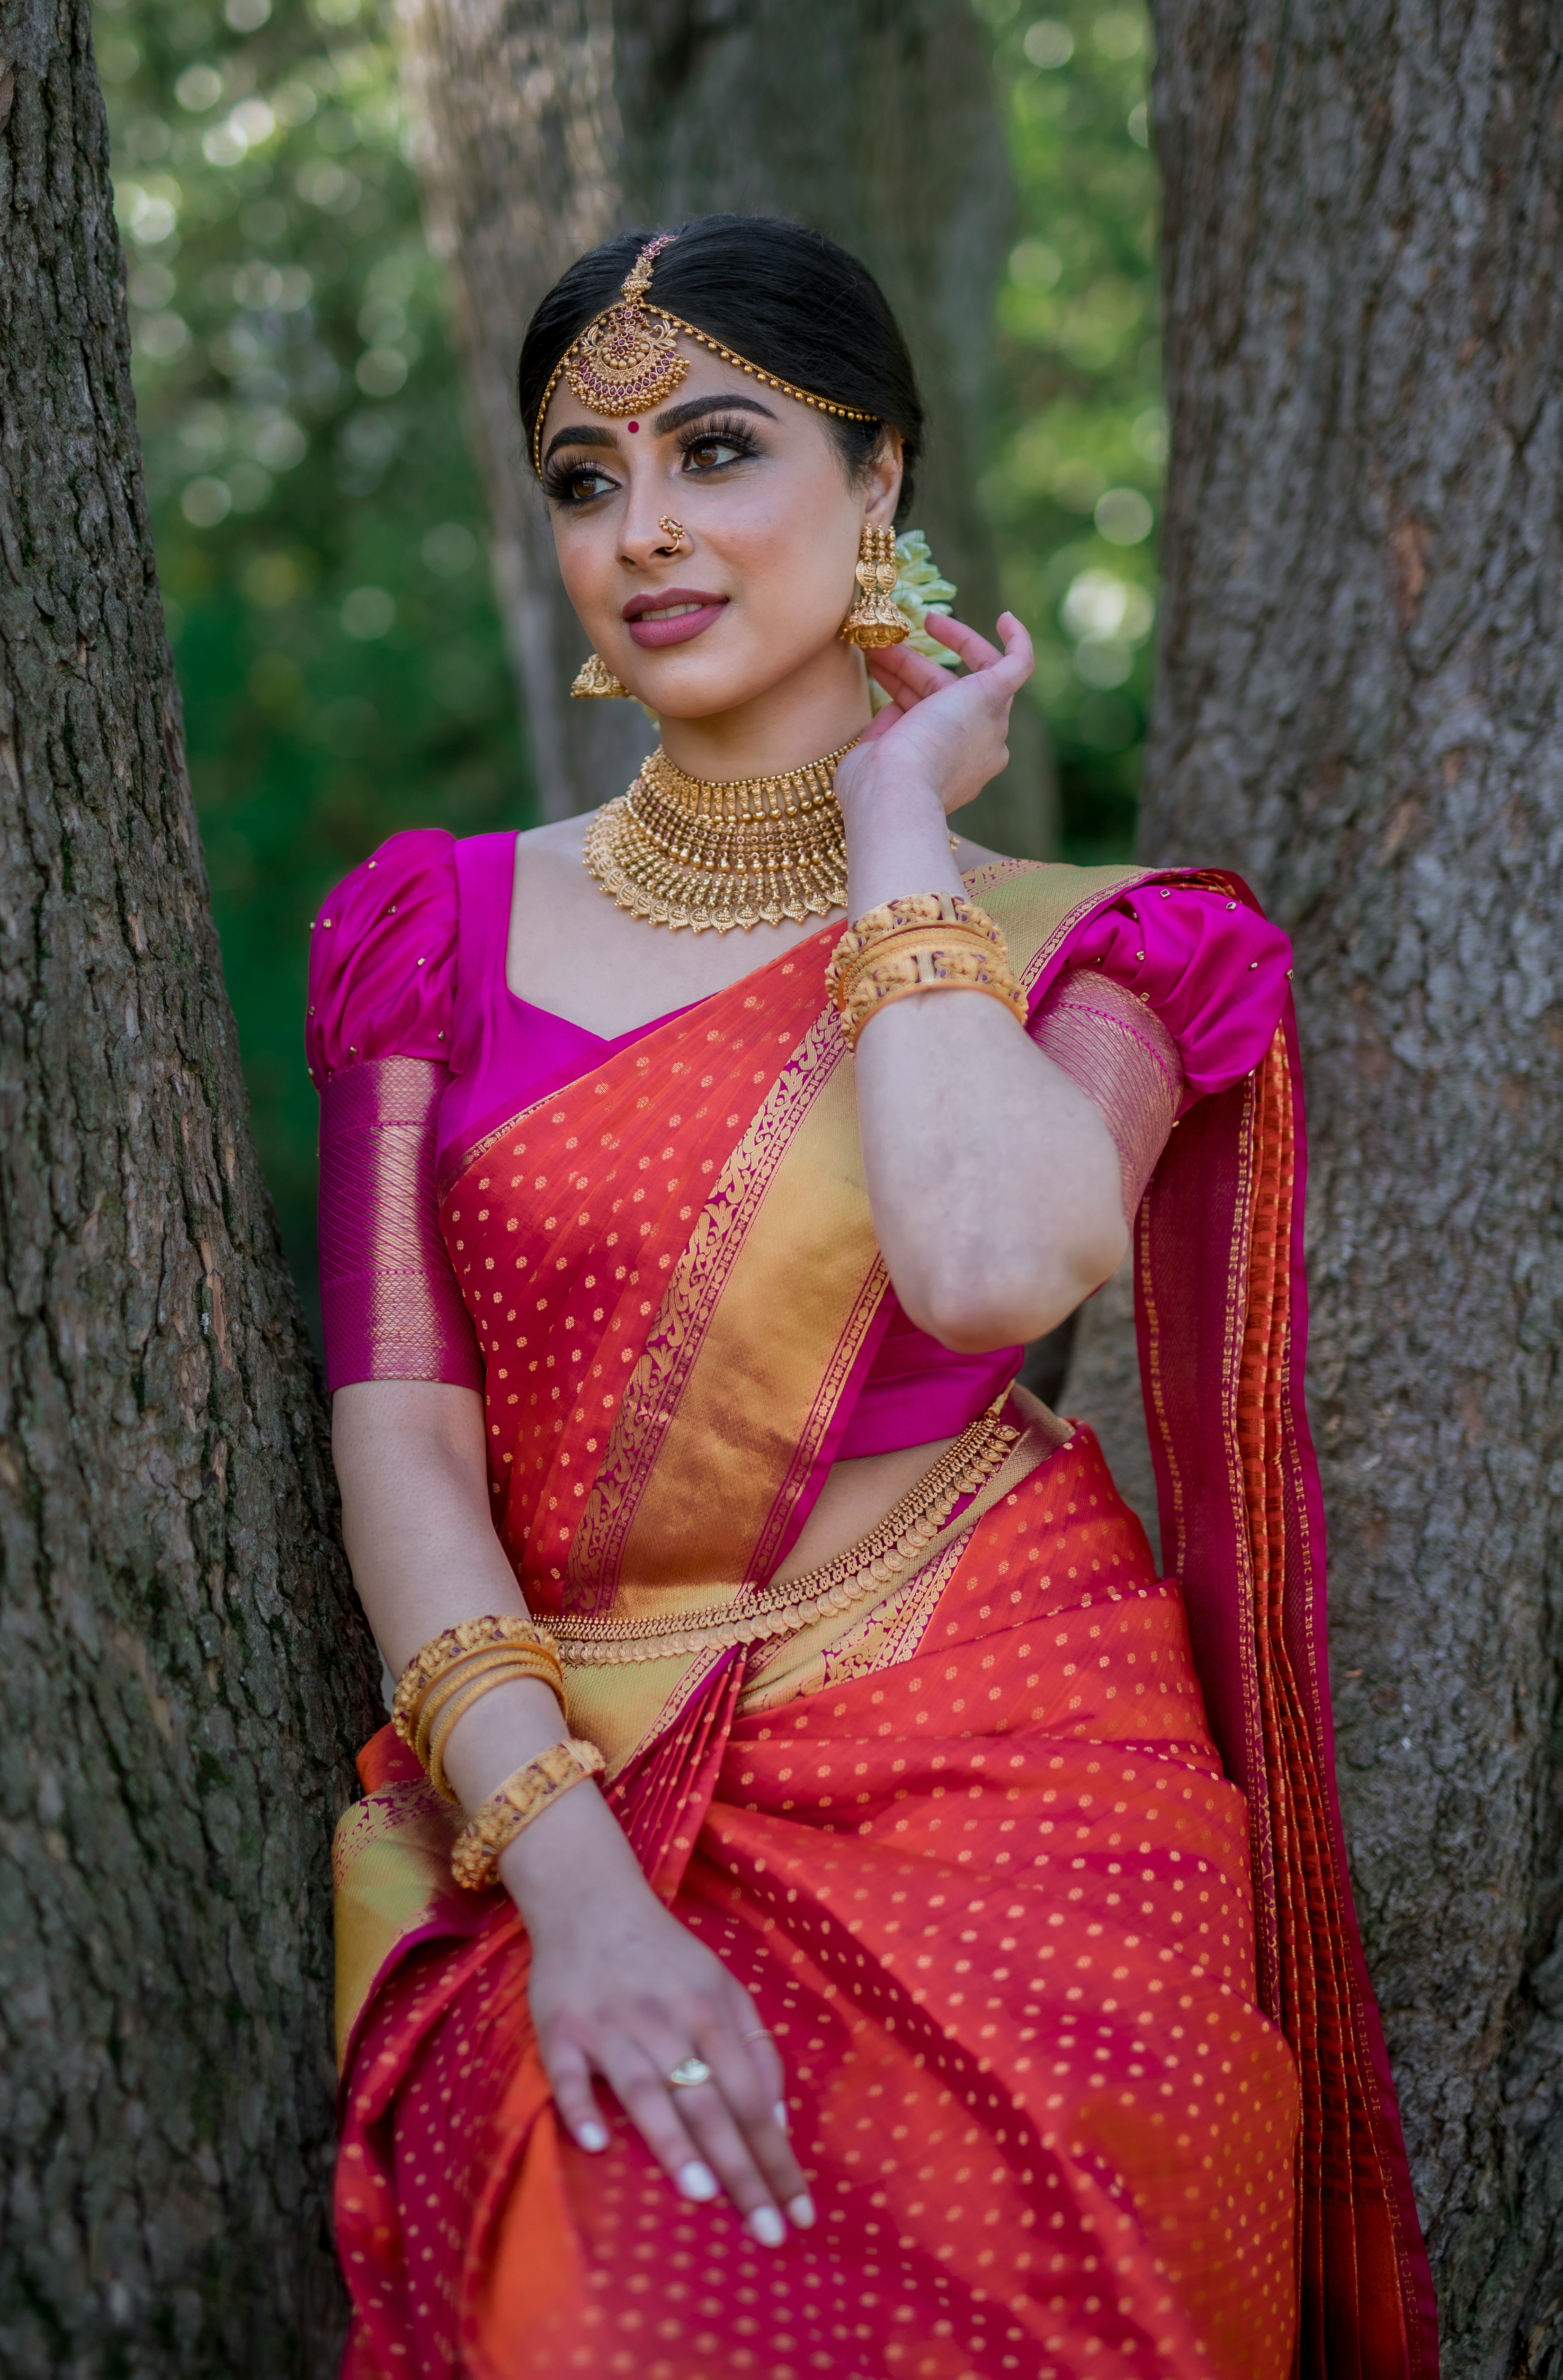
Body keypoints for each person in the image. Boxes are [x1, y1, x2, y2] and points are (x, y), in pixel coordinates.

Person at [309, 217, 1435, 2380]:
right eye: (581, 477)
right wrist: (578, 1890)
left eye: (717, 451)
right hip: (566, 1778)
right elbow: (401, 1429)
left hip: (1013, 1804)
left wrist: (900, 839)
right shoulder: (434, 935)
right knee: (593, 2305)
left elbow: (993, 1260)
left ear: (881, 482)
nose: (644, 532)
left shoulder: (1101, 951)